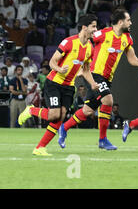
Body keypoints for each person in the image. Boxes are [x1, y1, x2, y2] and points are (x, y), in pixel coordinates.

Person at [58, 9, 138, 150]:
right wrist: (80, 64)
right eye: (128, 20)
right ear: (120, 22)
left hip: (107, 78)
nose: (131, 23)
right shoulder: (103, 34)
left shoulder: (127, 38)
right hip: (94, 74)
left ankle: (64, 127)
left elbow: (132, 59)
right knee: (108, 100)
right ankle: (102, 140)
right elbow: (83, 39)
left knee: (87, 111)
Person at [17, 15, 98, 156]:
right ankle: (31, 111)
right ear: (84, 27)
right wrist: (59, 69)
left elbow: (85, 70)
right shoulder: (68, 42)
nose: (95, 30)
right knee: (54, 114)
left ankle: (40, 147)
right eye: (93, 26)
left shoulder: (90, 48)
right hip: (54, 83)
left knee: (60, 117)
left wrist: (92, 84)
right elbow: (52, 62)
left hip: (68, 87)